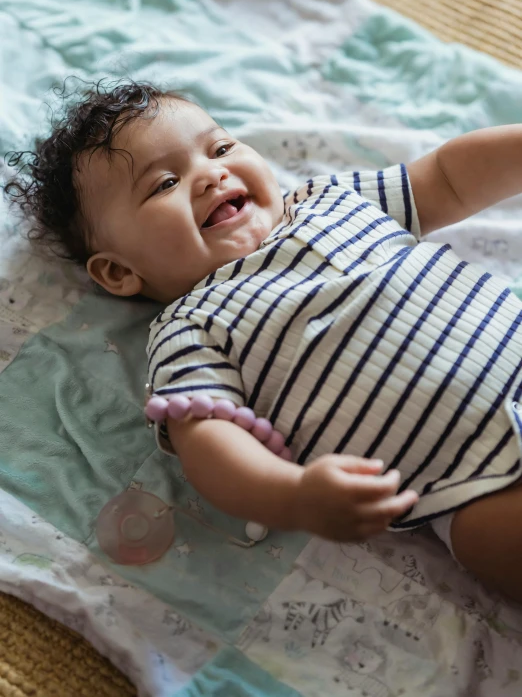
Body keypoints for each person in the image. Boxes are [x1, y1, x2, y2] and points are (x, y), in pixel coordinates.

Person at [7, 81, 522, 602]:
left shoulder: (328, 201)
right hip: (469, 481)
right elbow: (208, 445)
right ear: (118, 271)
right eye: (164, 184)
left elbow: (448, 179)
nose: (211, 173)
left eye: (221, 148)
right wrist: (295, 495)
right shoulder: (189, 327)